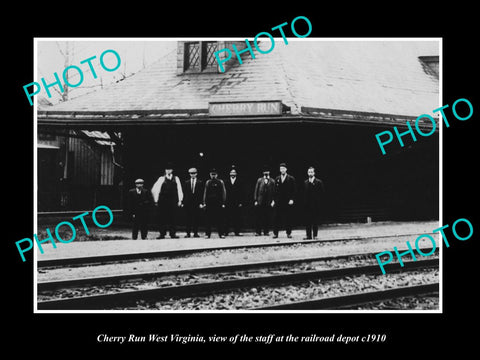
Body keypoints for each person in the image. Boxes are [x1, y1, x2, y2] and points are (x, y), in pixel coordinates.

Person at [151, 163, 184, 239]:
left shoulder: (176, 178)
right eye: (167, 169)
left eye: (169, 169)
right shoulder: (161, 179)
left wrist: (180, 200)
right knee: (162, 217)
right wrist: (156, 200)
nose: (168, 171)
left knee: (173, 217)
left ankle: (173, 233)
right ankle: (162, 233)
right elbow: (155, 190)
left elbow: (179, 189)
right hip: (163, 201)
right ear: (165, 170)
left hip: (173, 200)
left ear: (172, 170)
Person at [273, 162, 296, 238]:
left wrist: (292, 199)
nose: (282, 170)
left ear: (286, 169)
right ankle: (275, 233)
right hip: (278, 201)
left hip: (287, 201)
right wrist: (273, 200)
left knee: (288, 217)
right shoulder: (277, 179)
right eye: (281, 169)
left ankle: (288, 233)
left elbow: (294, 190)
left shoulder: (291, 178)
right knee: (276, 217)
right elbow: (275, 190)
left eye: (283, 169)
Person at [203, 168, 226, 239]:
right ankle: (207, 234)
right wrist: (204, 202)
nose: (213, 176)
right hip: (210, 203)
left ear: (217, 175)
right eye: (212, 174)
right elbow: (205, 193)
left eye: (214, 174)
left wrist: (223, 202)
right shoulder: (208, 182)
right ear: (210, 175)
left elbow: (224, 192)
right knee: (208, 220)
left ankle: (221, 233)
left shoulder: (220, 182)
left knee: (220, 219)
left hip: (218, 203)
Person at [303, 166, 325, 240]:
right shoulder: (305, 182)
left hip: (315, 205)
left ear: (314, 173)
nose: (310, 173)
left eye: (312, 172)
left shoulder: (318, 182)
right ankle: (308, 235)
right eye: (309, 172)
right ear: (307, 173)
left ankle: (315, 235)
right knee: (307, 221)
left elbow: (322, 194)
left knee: (315, 221)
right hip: (307, 205)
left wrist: (319, 204)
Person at [253, 165, 275, 236]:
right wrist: (256, 200)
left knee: (267, 217)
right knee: (259, 217)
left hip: (268, 201)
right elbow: (256, 190)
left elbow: (274, 192)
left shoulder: (272, 181)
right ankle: (258, 231)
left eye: (267, 172)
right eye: (265, 172)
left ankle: (266, 231)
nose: (266, 173)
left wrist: (273, 201)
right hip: (260, 201)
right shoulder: (259, 180)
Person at [183, 167, 204, 238]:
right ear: (189, 174)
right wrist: (183, 202)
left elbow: (201, 194)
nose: (193, 175)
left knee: (196, 218)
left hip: (196, 203)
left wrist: (201, 203)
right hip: (188, 203)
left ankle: (195, 233)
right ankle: (188, 233)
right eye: (191, 174)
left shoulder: (200, 182)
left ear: (196, 174)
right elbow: (184, 193)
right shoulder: (186, 182)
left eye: (194, 173)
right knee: (188, 219)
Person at [224, 166, 244, 236]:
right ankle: (226, 231)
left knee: (237, 217)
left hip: (236, 202)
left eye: (234, 172)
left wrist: (240, 202)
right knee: (227, 217)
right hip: (228, 201)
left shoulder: (239, 181)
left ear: (236, 173)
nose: (233, 173)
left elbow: (242, 192)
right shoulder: (226, 181)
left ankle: (237, 231)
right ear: (229, 173)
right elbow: (224, 192)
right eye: (231, 172)